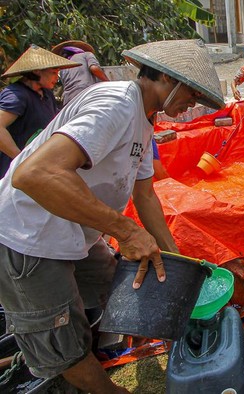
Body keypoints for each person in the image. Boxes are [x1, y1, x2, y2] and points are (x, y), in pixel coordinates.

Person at [0, 39, 225, 393]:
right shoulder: (116, 103)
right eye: (192, 95)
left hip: (75, 231)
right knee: (62, 345)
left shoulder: (144, 120)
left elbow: (145, 194)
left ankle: (90, 343)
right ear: (166, 79)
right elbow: (34, 174)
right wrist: (125, 230)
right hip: (30, 236)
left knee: (117, 283)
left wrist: (177, 257)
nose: (192, 105)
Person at [0, 44, 80, 178]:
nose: (57, 77)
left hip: (37, 168)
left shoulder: (47, 94)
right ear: (37, 71)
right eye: (53, 73)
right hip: (11, 172)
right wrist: (20, 159)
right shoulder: (17, 95)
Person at [51, 40, 109, 106]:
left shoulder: (63, 66)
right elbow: (94, 68)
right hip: (86, 93)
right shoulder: (86, 54)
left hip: (68, 99)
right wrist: (108, 83)